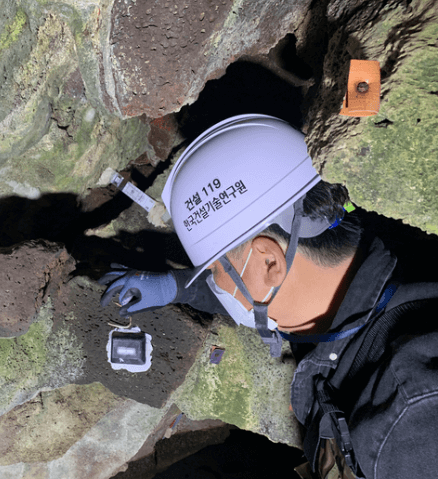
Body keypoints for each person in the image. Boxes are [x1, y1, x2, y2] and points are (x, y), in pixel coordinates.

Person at [99, 114, 438, 479]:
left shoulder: (412, 419)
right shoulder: (354, 284)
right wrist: (174, 286)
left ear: (270, 262)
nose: (216, 286)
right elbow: (253, 288)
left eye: (214, 272)